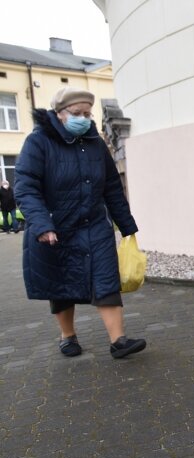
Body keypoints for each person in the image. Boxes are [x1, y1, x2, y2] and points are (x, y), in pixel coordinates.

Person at [14, 87, 146, 358]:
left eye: (88, 113)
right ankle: (68, 336)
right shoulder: (38, 142)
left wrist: (127, 226)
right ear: (59, 114)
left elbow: (111, 186)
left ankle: (118, 340)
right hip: (56, 226)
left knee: (106, 278)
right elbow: (26, 187)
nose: (84, 118)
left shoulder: (95, 143)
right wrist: (42, 224)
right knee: (61, 282)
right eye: (77, 113)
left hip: (95, 224)